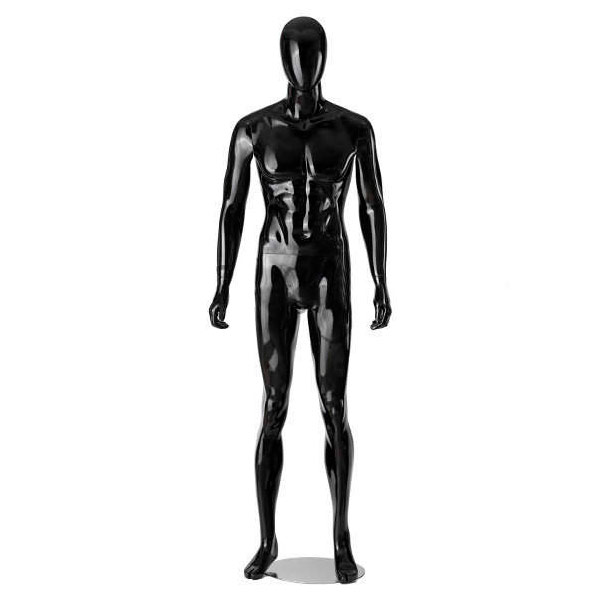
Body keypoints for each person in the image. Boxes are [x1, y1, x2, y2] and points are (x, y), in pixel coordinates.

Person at [209, 16, 391, 584]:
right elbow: (232, 209)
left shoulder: (354, 129)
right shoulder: (254, 129)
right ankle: (267, 541)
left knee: (335, 407)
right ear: (283, 60)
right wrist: (221, 283)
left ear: (324, 59)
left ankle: (341, 538)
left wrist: (382, 281)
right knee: (273, 405)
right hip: (275, 267)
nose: (304, 65)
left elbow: (372, 205)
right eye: (295, 54)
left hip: (331, 267)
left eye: (311, 55)